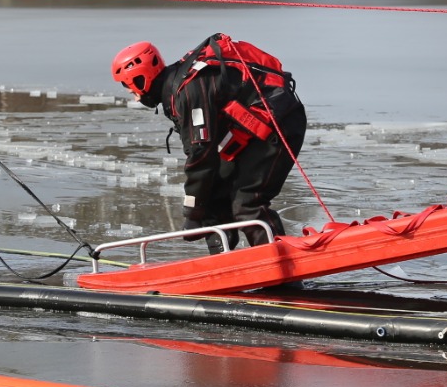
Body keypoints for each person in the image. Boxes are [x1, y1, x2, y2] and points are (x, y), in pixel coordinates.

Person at [112, 34, 307, 252]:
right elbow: (204, 156)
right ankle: (221, 260)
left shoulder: (186, 91)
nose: (131, 93)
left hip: (280, 124)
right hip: (250, 131)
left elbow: (201, 154)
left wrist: (192, 213)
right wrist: (199, 209)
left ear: (141, 78)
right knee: (212, 195)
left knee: (247, 202)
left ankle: (280, 264)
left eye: (128, 86)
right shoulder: (177, 88)